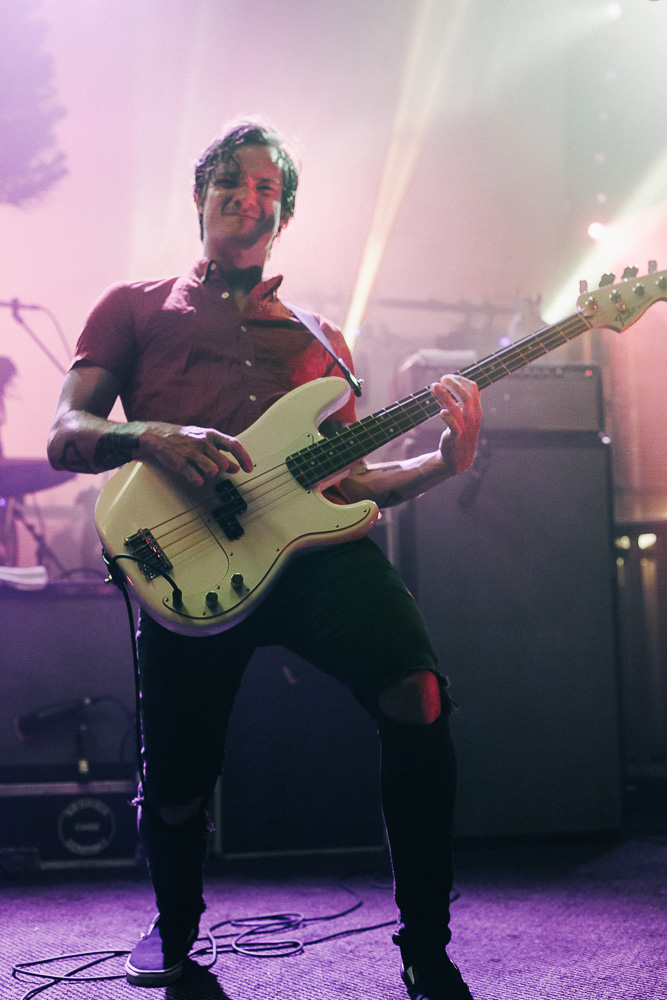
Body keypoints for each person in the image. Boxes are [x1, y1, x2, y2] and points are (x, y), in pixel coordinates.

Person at [47, 119, 482, 1000]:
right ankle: (175, 929)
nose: (246, 200)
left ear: (283, 218)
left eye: (266, 191)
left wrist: (442, 463)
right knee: (177, 783)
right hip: (186, 558)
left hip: (314, 561)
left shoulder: (321, 340)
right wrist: (150, 436)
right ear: (199, 197)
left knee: (418, 691)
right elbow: (66, 433)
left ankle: (426, 945)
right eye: (229, 183)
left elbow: (350, 483)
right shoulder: (133, 306)